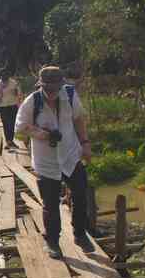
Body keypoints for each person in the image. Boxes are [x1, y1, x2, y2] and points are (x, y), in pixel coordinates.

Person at [14, 65, 93, 259]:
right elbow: (20, 127)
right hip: (46, 161)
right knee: (50, 204)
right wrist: (42, 134)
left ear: (61, 85)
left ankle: (80, 235)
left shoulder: (70, 95)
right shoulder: (32, 101)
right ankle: (53, 242)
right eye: (47, 89)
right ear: (41, 86)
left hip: (70, 155)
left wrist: (85, 143)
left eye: (54, 89)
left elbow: (79, 120)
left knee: (81, 196)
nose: (51, 94)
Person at [0, 67, 22, 148]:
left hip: (13, 105)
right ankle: (8, 142)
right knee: (5, 124)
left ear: (8, 75)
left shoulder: (13, 82)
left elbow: (18, 93)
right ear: (0, 75)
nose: (4, 76)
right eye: (3, 75)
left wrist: (17, 92)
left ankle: (10, 141)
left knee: (12, 124)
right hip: (3, 106)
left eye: (6, 75)